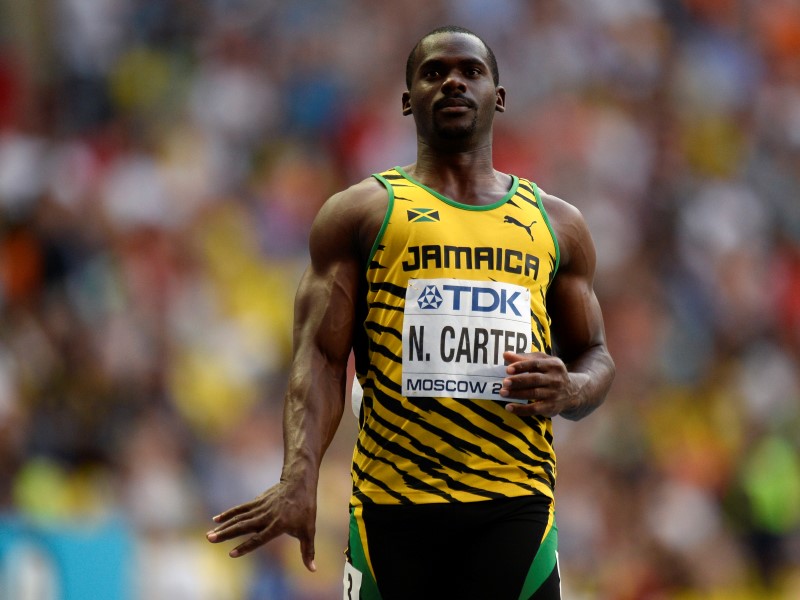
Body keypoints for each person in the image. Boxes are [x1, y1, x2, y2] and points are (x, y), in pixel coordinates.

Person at [206, 25, 615, 600]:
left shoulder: (557, 223)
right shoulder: (361, 214)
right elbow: (321, 357)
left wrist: (571, 389)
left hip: (513, 504)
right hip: (392, 508)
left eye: (471, 71)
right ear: (407, 100)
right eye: (434, 72)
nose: (453, 81)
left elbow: (596, 356)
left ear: (498, 96)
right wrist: (298, 476)